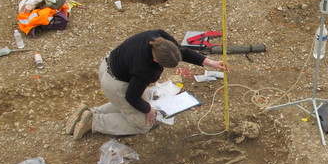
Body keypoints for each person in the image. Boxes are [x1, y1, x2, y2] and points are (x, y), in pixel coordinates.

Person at [65, 30, 227, 139]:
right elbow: (131, 97)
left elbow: (181, 51)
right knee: (143, 124)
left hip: (109, 66)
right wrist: (148, 109)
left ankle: (88, 112)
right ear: (156, 61)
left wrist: (210, 62)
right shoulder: (146, 68)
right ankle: (93, 121)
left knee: (131, 105)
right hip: (116, 84)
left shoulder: (158, 38)